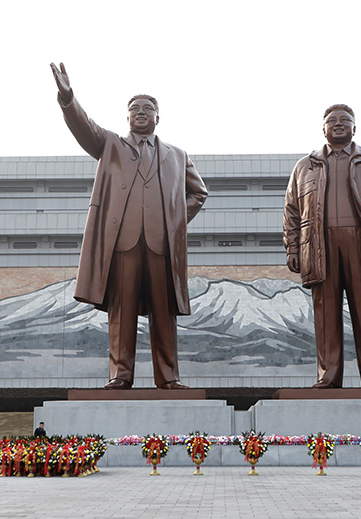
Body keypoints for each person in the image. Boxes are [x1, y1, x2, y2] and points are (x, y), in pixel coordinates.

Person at [50, 63, 208, 390]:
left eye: (147, 109)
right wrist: (68, 98)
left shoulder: (177, 155)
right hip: (123, 244)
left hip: (161, 246)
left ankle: (168, 377)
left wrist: (174, 222)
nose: (140, 113)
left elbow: (199, 193)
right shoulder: (111, 146)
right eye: (134, 109)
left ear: (157, 117)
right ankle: (120, 375)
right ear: (127, 117)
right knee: (121, 312)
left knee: (164, 313)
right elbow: (85, 128)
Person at [283, 104, 361, 389]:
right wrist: (293, 248)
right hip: (319, 245)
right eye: (332, 121)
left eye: (345, 120)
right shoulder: (305, 166)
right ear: (323, 129)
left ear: (355, 127)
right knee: (325, 312)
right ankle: (327, 376)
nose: (338, 124)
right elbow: (292, 210)